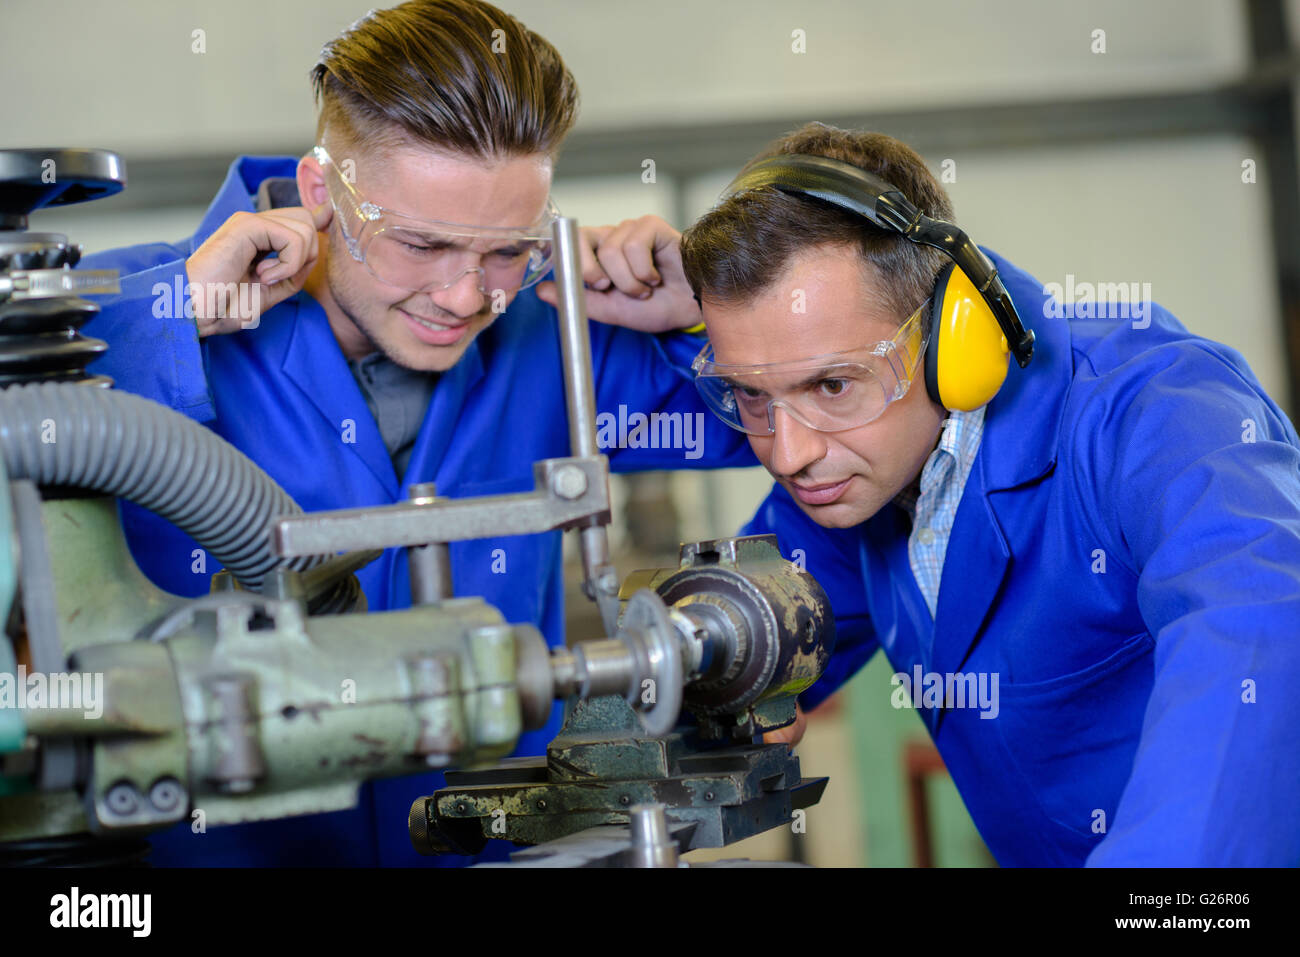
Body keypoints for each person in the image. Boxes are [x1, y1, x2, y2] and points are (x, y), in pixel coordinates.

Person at [80, 0, 748, 866]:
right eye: (422, 243)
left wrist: (707, 310)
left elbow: (803, 427)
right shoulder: (119, 313)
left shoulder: (559, 337)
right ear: (325, 192)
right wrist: (168, 327)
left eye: (507, 248)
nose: (467, 295)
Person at [674, 121, 1300, 866]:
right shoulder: (854, 482)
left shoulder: (1151, 410)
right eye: (749, 394)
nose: (789, 452)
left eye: (833, 384)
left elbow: (1264, 622)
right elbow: (729, 636)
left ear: (951, 335)